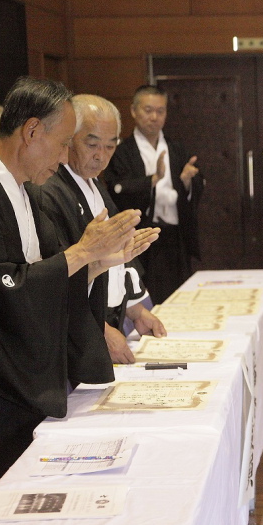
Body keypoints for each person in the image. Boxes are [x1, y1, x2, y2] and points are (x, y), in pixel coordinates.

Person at [0, 77, 159, 525]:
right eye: (63, 142)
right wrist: (84, 252)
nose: (64, 155)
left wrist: (100, 262)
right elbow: (6, 289)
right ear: (31, 131)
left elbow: (53, 281)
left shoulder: (28, 193)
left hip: (24, 380)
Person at [37, 94, 167, 364]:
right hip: (79, 330)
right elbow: (58, 275)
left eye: (110, 146)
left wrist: (135, 309)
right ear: (68, 137)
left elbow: (117, 257)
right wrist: (101, 331)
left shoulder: (94, 183)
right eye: (92, 144)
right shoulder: (49, 190)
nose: (101, 156)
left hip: (107, 317)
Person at [103, 84, 203, 304]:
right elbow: (117, 190)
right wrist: (152, 180)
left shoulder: (177, 149)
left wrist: (188, 182)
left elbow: (195, 189)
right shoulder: (122, 151)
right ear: (133, 111)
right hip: (141, 237)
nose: (154, 117)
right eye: (148, 110)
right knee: (148, 298)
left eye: (160, 111)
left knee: (180, 299)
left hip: (176, 236)